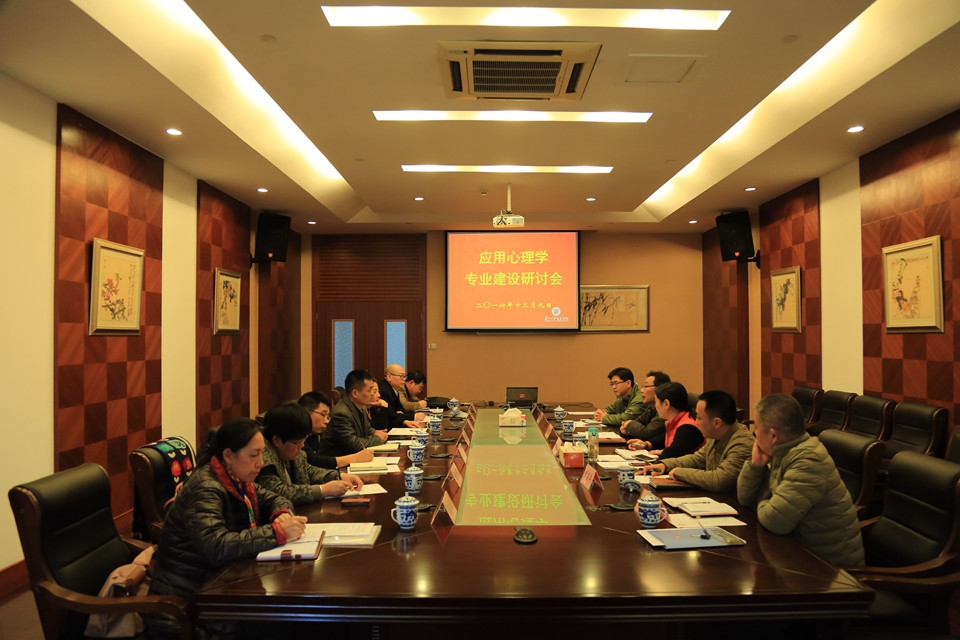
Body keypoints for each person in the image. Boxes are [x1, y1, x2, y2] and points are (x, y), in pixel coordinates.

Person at [147, 417, 306, 640]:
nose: (261, 463)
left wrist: (281, 514)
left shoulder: (236, 478)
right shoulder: (206, 488)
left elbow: (275, 498)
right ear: (229, 455)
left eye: (262, 454)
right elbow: (216, 546)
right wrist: (276, 532)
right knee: (284, 621)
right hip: (190, 605)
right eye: (254, 455)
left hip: (221, 586)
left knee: (289, 616)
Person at [737, 393, 864, 567]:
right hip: (798, 553)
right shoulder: (780, 452)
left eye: (756, 428)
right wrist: (756, 465)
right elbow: (745, 499)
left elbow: (775, 521)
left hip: (830, 569)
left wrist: (763, 502)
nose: (754, 434)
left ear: (773, 435)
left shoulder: (808, 460)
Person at [640, 390, 753, 492]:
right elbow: (697, 459)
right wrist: (665, 465)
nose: (696, 422)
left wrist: (679, 472)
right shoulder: (715, 435)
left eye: (699, 418)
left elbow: (719, 480)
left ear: (716, 423)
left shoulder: (742, 443)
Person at [258, 401, 364, 504]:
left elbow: (307, 470)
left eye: (304, 440)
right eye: (297, 442)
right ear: (276, 440)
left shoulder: (291, 449)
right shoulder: (262, 459)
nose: (302, 445)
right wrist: (322, 490)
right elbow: (278, 492)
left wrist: (338, 476)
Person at [317, 369, 388, 456]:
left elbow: (367, 429)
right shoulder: (341, 413)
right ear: (355, 393)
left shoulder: (360, 406)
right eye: (369, 390)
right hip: (340, 460)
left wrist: (376, 433)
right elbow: (354, 445)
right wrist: (378, 438)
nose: (372, 394)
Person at [299, 391, 375, 468]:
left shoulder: (314, 434)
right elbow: (313, 460)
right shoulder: (298, 433)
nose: (327, 421)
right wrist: (355, 458)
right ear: (306, 412)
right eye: (323, 414)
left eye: (327, 416)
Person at [627, 381, 704, 458]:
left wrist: (661, 452)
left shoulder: (687, 427)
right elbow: (664, 437)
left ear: (666, 404)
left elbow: (673, 452)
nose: (655, 406)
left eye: (656, 402)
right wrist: (646, 444)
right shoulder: (675, 420)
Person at [619, 370, 670, 441]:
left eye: (646, 386)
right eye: (642, 387)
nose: (641, 390)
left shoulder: (665, 410)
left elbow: (646, 433)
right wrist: (627, 426)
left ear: (660, 388)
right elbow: (637, 421)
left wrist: (629, 425)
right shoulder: (651, 408)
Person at [373, 364, 426, 430]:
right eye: (401, 376)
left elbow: (401, 410)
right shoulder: (384, 391)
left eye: (404, 376)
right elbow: (391, 416)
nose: (404, 379)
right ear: (389, 377)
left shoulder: (394, 389)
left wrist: (400, 416)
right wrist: (413, 416)